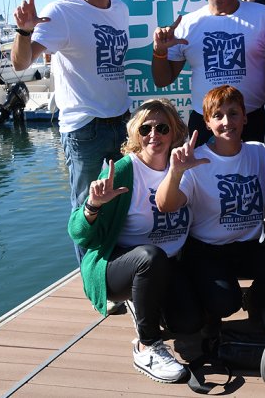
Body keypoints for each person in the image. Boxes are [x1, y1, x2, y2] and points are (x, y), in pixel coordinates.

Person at [68, 99, 201, 384]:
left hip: (168, 265)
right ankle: (146, 346)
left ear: (175, 131)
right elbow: (79, 234)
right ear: (135, 134)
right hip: (120, 264)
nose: (154, 134)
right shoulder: (125, 170)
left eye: (162, 127)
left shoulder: (184, 166)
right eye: (146, 128)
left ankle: (148, 301)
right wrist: (92, 205)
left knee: (189, 323)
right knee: (149, 257)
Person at [155, 85, 265, 335]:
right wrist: (175, 172)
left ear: (245, 117)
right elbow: (165, 205)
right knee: (225, 302)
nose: (227, 122)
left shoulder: (259, 151)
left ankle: (257, 299)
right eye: (218, 116)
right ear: (207, 122)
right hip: (207, 249)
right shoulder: (196, 160)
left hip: (251, 244)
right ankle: (207, 305)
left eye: (234, 113)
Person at [11, 0, 130, 215]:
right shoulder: (63, 12)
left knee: (125, 199)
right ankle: (88, 260)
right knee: (86, 208)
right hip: (84, 126)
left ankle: (119, 258)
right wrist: (24, 32)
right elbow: (21, 63)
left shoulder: (121, 9)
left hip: (123, 121)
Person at [151, 0, 265, 145]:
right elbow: (162, 80)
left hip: (253, 122)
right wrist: (160, 51)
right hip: (206, 124)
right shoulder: (187, 24)